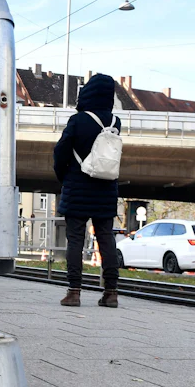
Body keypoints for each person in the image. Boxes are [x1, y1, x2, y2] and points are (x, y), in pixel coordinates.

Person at [53, 74, 122, 308]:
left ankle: (74, 292)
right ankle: (111, 293)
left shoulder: (78, 120)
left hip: (77, 186)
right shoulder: (115, 122)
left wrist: (64, 177)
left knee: (75, 239)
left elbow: (61, 151)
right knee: (106, 239)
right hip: (105, 188)